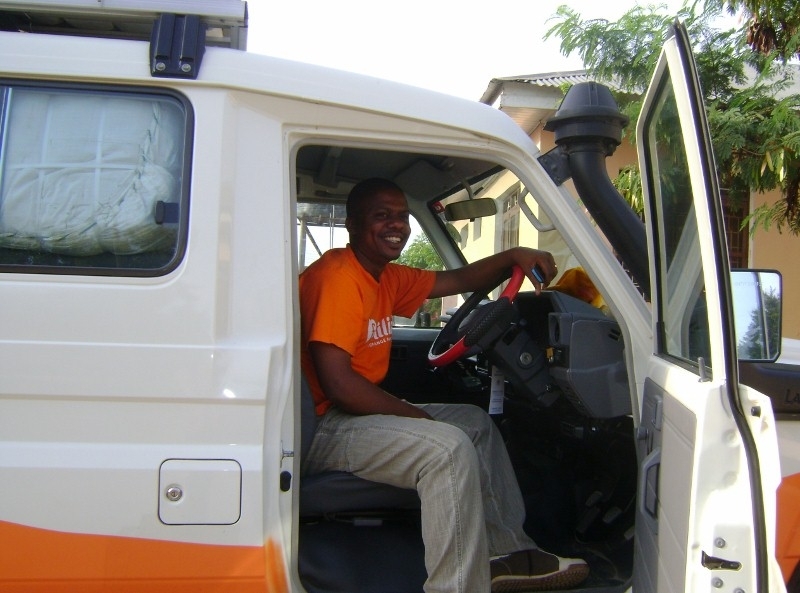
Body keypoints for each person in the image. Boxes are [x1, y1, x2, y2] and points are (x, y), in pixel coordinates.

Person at [299, 178, 589, 593]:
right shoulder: (338, 277)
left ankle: (506, 554)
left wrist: (513, 255)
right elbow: (339, 384)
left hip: (347, 415)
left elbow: (456, 280)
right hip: (322, 427)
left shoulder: (383, 275)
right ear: (353, 225)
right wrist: (416, 417)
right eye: (381, 216)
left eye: (402, 216)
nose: (396, 225)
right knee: (447, 448)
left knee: (473, 423)